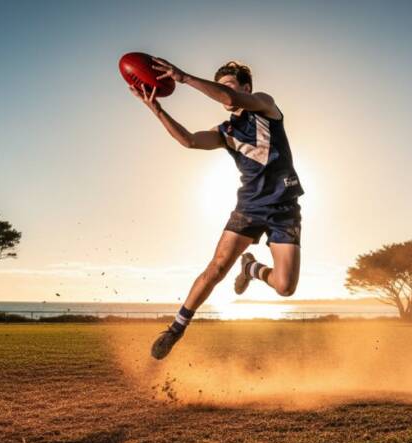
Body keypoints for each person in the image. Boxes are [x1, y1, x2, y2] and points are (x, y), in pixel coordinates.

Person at [128, 59, 304, 359]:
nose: (224, 91)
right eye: (220, 85)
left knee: (285, 287)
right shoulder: (225, 131)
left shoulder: (265, 105)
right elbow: (190, 140)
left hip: (284, 207)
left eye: (229, 84)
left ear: (246, 87)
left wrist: (183, 78)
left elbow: (231, 99)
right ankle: (175, 329)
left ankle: (251, 268)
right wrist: (155, 108)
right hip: (249, 206)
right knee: (217, 268)